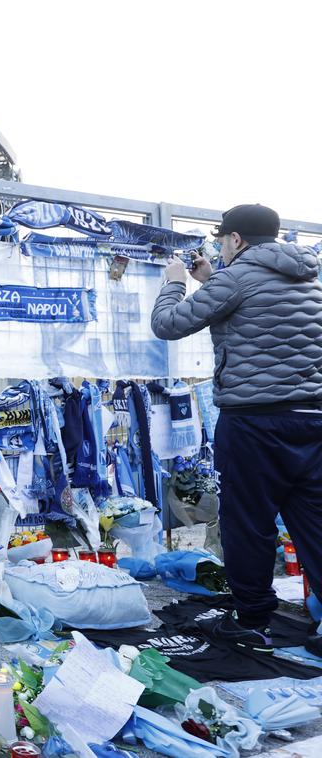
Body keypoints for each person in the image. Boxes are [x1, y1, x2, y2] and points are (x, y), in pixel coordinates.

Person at [151, 203, 322, 655]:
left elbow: (168, 324)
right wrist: (213, 279)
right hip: (312, 421)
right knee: (315, 524)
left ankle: (252, 622)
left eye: (223, 240)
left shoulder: (236, 277)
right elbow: (257, 312)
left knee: (249, 524)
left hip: (254, 423)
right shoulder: (310, 280)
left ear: (236, 240)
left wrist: (174, 282)